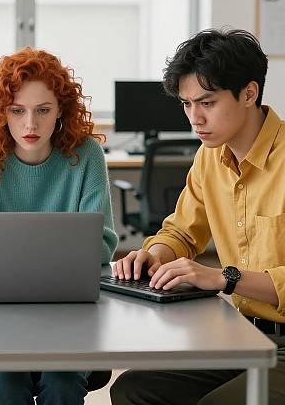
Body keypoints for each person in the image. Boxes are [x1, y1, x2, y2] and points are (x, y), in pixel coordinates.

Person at [110, 28, 285, 405]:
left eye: (206, 102)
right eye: (187, 104)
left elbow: (223, 276)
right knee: (133, 390)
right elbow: (181, 232)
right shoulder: (210, 156)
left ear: (249, 93)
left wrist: (224, 278)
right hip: (244, 334)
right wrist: (153, 254)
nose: (195, 118)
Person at [0, 47, 117, 404]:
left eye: (43, 111)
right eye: (17, 111)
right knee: (7, 380)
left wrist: (12, 254)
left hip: (68, 310)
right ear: (0, 112)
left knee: (63, 382)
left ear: (61, 112)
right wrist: (52, 252)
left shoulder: (86, 155)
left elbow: (102, 244)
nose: (30, 125)